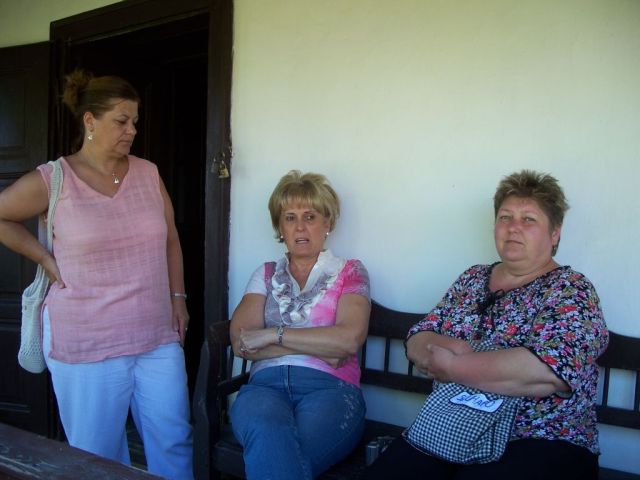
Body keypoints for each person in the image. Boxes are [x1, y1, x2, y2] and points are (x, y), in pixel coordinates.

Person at [0, 70, 193, 479]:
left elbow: (171, 240)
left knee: (174, 440)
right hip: (87, 338)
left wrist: (178, 299)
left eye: (134, 121)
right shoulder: (55, 179)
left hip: (156, 335)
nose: (132, 130)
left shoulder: (148, 172)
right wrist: (43, 257)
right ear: (89, 120)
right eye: (121, 121)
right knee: (97, 455)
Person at [366, 170, 608, 480]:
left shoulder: (571, 289)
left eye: (528, 219)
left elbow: (547, 372)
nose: (513, 227)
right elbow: (419, 336)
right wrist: (462, 350)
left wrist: (454, 366)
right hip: (451, 428)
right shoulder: (473, 278)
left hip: (540, 438)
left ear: (554, 234)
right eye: (505, 217)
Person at [230, 170, 371, 480]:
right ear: (280, 227)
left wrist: (273, 334)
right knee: (269, 436)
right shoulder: (265, 274)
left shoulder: (350, 272)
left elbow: (348, 340)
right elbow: (241, 342)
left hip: (331, 390)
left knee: (279, 453)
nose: (300, 227)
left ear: (327, 222)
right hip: (264, 389)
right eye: (290, 218)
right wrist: (322, 347)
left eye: (310, 216)